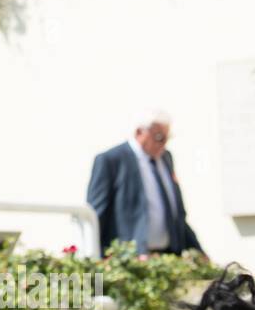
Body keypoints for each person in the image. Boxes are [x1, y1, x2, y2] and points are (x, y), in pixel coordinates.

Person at [86, 109, 203, 257]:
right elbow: (96, 213)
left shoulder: (166, 158)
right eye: (159, 137)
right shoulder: (111, 160)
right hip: (130, 258)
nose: (164, 143)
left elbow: (176, 213)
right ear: (139, 132)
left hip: (168, 256)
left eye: (167, 138)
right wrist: (95, 257)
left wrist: (199, 251)